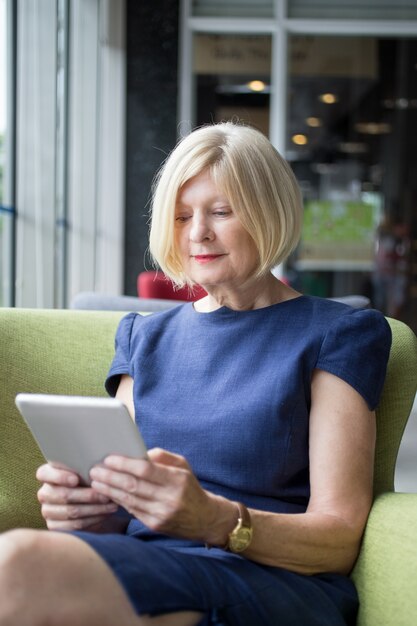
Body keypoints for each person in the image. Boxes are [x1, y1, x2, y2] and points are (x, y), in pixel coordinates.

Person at [0, 122, 391, 626]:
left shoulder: (341, 332)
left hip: (271, 577)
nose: (197, 233)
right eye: (182, 216)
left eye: (221, 212)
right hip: (153, 568)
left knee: (18, 565)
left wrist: (213, 519)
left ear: (269, 212)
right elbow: (119, 515)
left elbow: (339, 537)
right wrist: (86, 513)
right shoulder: (143, 338)